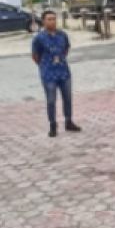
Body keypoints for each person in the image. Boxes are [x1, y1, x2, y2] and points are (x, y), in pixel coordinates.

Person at [31, 10, 81, 138]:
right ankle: (53, 125)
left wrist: (60, 59)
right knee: (51, 100)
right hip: (48, 74)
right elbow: (35, 56)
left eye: (54, 18)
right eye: (49, 19)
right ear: (43, 21)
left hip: (64, 72)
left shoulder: (62, 35)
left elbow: (66, 49)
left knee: (68, 98)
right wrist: (44, 65)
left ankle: (68, 121)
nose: (52, 21)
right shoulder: (39, 38)